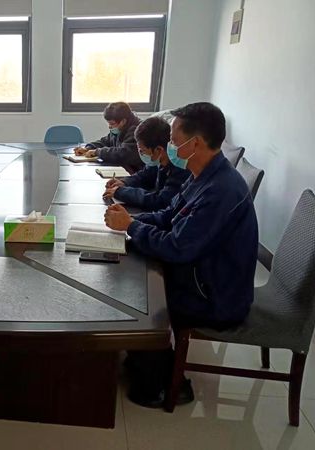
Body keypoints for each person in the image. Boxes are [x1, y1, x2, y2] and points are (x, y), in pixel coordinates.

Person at [104, 102, 258, 407]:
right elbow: (169, 214)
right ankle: (141, 357)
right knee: (131, 268)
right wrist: (132, 221)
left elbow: (177, 247)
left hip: (214, 295)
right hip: (201, 273)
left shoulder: (220, 190)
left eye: (174, 140)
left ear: (195, 143)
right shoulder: (202, 174)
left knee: (141, 295)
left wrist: (132, 226)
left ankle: (163, 382)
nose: (170, 146)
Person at [102, 116, 190, 211]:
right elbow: (144, 176)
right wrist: (124, 182)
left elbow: (161, 201)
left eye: (142, 151)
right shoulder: (158, 160)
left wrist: (121, 192)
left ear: (158, 150)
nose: (141, 154)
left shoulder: (180, 168)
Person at [72, 102, 144, 174]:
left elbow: (124, 153)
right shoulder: (121, 128)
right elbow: (106, 141)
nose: (109, 126)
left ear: (123, 121)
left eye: (112, 124)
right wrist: (88, 148)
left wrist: (97, 152)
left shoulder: (137, 131)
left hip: (135, 172)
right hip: (123, 168)